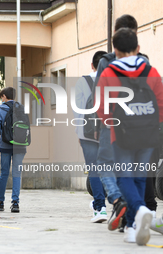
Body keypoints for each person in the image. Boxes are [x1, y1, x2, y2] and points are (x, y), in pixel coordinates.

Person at [97, 28, 163, 245]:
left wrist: (110, 125)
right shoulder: (151, 71)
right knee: (139, 177)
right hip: (147, 133)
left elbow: (102, 107)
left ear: (115, 50)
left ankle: (141, 210)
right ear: (138, 48)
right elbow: (161, 103)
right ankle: (132, 228)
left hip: (122, 133)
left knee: (124, 178)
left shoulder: (108, 73)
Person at [94, 14, 149, 232]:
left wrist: (102, 123)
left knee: (105, 164)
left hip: (114, 122)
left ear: (114, 35)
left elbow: (99, 95)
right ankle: (132, 220)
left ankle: (118, 202)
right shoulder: (144, 61)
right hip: (141, 123)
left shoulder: (106, 62)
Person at [73, 52, 109, 223]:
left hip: (88, 132)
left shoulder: (83, 81)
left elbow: (79, 109)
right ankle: (118, 205)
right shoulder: (113, 79)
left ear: (92, 65)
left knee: (94, 169)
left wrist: (79, 132)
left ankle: (100, 208)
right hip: (110, 130)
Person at [0, 87, 26, 213]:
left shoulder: (1, 108)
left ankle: (0, 201)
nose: (1, 99)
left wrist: (6, 134)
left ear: (5, 96)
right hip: (20, 145)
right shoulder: (21, 108)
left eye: (2, 97)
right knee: (17, 173)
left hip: (6, 145)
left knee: (4, 173)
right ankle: (15, 203)